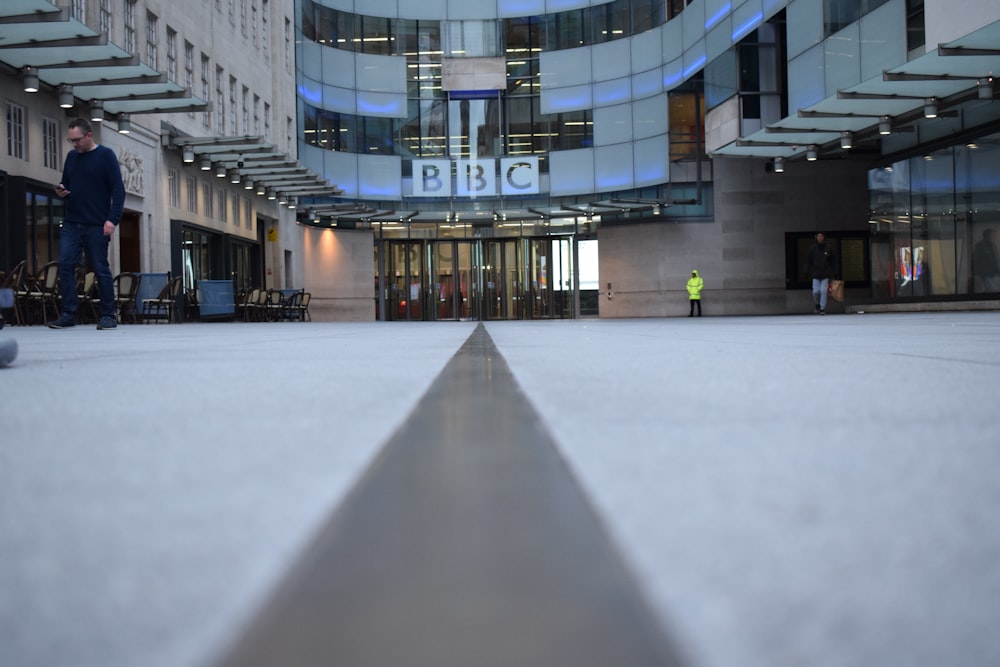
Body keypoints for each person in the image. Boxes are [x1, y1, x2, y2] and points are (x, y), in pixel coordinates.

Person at [49, 118, 125, 330]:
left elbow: (118, 190)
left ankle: (108, 315)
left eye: (77, 140)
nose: (74, 144)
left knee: (100, 268)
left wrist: (113, 218)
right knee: (65, 264)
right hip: (72, 222)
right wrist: (62, 191)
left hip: (97, 223)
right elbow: (67, 184)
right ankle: (68, 313)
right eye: (71, 140)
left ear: (89, 135)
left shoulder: (105, 156)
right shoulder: (72, 157)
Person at [804, 232, 837, 315]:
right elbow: (808, 261)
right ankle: (817, 304)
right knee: (815, 291)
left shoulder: (828, 248)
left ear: (824, 237)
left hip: (825, 273)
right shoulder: (813, 248)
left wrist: (834, 272)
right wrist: (806, 271)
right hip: (815, 273)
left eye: (821, 236)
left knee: (823, 291)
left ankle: (822, 308)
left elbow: (833, 261)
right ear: (816, 238)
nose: (820, 238)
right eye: (818, 236)